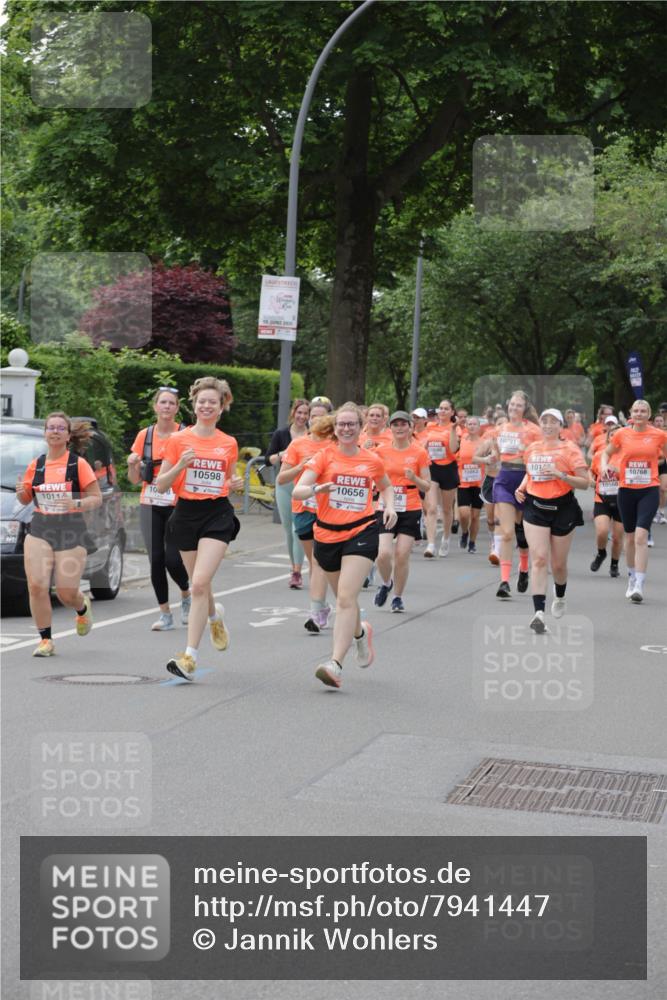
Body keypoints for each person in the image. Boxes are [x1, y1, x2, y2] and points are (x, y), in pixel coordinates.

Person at [293, 402, 397, 689]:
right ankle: (361, 634)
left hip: (361, 532)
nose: (347, 429)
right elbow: (300, 489)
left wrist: (390, 507)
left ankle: (335, 663)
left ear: (360, 426)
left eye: (352, 424)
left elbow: (386, 485)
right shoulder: (323, 457)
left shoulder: (371, 460)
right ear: (335, 428)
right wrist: (316, 489)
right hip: (326, 535)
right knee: (344, 598)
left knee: (344, 599)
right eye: (342, 424)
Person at [155, 377, 243, 680]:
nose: (206, 406)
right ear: (194, 406)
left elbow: (229, 482)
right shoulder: (178, 440)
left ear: (221, 408)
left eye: (213, 403)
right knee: (199, 583)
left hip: (217, 514)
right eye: (202, 401)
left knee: (199, 584)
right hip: (186, 513)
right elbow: (161, 483)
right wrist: (180, 466)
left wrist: (237, 485)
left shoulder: (228, 443)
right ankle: (214, 617)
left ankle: (189, 657)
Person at [16, 413, 102, 657]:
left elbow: (96, 498)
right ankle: (45, 640)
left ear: (67, 435)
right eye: (50, 427)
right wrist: (21, 492)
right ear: (45, 433)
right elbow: (25, 498)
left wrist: (75, 502)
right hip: (41, 525)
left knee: (65, 592)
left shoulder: (77, 465)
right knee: (36, 585)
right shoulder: (37, 464)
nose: (54, 431)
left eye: (60, 428)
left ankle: (81, 606)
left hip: (70, 528)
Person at [515, 409, 589, 633]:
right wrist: (521, 487)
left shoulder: (570, 449)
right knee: (538, 559)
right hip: (535, 507)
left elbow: (585, 483)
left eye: (552, 422)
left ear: (560, 426)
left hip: (563, 509)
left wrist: (561, 475)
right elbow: (531, 473)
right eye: (544, 421)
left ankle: (560, 594)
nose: (547, 425)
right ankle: (538, 613)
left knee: (558, 565)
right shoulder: (532, 448)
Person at [127, 387, 191, 631]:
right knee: (156, 560)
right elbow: (134, 479)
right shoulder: (146, 435)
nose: (166, 407)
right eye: (162, 402)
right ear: (155, 407)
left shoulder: (185, 434)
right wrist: (132, 465)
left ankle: (186, 593)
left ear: (176, 408)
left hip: (177, 503)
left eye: (171, 403)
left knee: (173, 560)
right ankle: (165, 614)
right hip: (150, 502)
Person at [276, 405, 336, 633]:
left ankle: (317, 610)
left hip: (329, 510)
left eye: (322, 417)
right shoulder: (298, 444)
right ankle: (324, 606)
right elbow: (282, 478)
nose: (316, 420)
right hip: (303, 507)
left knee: (320, 561)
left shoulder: (335, 443)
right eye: (313, 416)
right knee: (315, 562)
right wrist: (302, 466)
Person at [475, 391, 541, 597]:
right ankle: (504, 582)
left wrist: (527, 453)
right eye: (511, 405)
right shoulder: (500, 428)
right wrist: (492, 457)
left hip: (524, 479)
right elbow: (494, 450)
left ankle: (523, 569)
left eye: (518, 405)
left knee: (521, 530)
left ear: (525, 408)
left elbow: (539, 453)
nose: (514, 408)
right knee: (507, 533)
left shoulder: (534, 430)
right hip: (503, 479)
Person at [603, 399, 667, 603]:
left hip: (649, 489)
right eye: (636, 411)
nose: (639, 414)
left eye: (643, 411)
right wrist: (605, 466)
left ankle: (639, 583)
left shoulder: (659, 435)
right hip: (626, 490)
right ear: (631, 413)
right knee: (629, 538)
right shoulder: (622, 434)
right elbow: (606, 452)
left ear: (649, 415)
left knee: (641, 537)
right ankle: (631, 577)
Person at [373, 411, 431, 612]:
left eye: (403, 424)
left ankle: (397, 597)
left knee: (402, 554)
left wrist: (414, 478)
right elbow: (372, 476)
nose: (399, 428)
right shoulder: (381, 451)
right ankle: (386, 583)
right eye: (395, 424)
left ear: (410, 427)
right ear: (390, 428)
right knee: (383, 554)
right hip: (386, 506)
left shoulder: (419, 452)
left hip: (410, 506)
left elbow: (427, 486)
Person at [266, 398, 310, 589]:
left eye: (305, 414)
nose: (302, 417)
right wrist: (281, 455)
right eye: (299, 412)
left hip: (305, 486)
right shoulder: (281, 434)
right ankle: (293, 567)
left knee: (297, 529)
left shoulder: (312, 435)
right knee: (288, 530)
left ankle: (297, 572)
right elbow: (268, 459)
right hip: (285, 485)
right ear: (293, 413)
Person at [422, 399, 460, 557]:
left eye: (446, 409)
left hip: (449, 469)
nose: (442, 411)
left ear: (452, 412)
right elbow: (424, 445)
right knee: (431, 508)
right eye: (441, 408)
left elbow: (453, 449)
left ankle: (446, 538)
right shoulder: (430, 427)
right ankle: (431, 544)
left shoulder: (456, 429)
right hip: (433, 468)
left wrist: (453, 429)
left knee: (446, 509)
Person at [589, 418, 624, 577]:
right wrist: (590, 480)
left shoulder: (627, 456)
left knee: (617, 537)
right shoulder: (599, 456)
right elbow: (592, 473)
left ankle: (614, 564)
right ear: (609, 438)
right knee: (602, 532)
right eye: (612, 435)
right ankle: (601, 553)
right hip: (601, 497)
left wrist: (617, 470)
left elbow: (632, 476)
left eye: (619, 435)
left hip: (621, 500)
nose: (615, 438)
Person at [456, 415, 484, 552]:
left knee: (475, 515)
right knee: (464, 514)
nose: (472, 426)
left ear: (479, 427)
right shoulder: (461, 441)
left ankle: (472, 542)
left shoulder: (484, 443)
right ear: (466, 426)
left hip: (479, 483)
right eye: (469, 424)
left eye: (475, 424)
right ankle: (464, 532)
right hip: (463, 482)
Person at [652, 412, 667, 523]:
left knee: (662, 489)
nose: (658, 423)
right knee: (652, 491)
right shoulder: (650, 434)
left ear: (664, 422)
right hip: (650, 465)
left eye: (660, 421)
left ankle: (661, 512)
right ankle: (653, 511)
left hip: (663, 464)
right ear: (653, 423)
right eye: (656, 421)